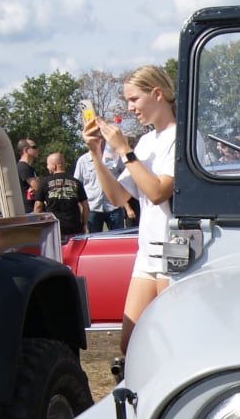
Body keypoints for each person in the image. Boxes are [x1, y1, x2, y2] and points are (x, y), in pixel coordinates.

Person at [84, 64, 176, 356]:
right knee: (131, 345)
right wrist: (96, 155)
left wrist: (124, 150)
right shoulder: (146, 141)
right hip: (147, 253)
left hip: (174, 254)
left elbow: (158, 192)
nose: (130, 107)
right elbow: (117, 196)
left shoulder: (181, 138)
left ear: (157, 94)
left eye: (134, 99)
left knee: (169, 344)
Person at [33, 152, 89, 237]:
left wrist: (35, 224)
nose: (47, 167)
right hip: (74, 226)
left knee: (57, 250)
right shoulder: (76, 182)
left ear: (54, 166)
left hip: (54, 227)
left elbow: (38, 205)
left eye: (48, 165)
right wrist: (84, 224)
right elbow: (85, 206)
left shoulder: (44, 182)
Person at [74, 143, 126, 232]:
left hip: (114, 207)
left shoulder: (114, 157)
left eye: (101, 138)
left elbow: (126, 176)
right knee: (94, 240)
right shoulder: (83, 161)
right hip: (93, 208)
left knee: (118, 239)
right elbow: (77, 184)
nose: (99, 141)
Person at [16, 138, 40, 206]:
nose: (37, 149)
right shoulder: (24, 167)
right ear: (25, 150)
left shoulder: (27, 167)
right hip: (30, 210)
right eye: (34, 147)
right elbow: (38, 188)